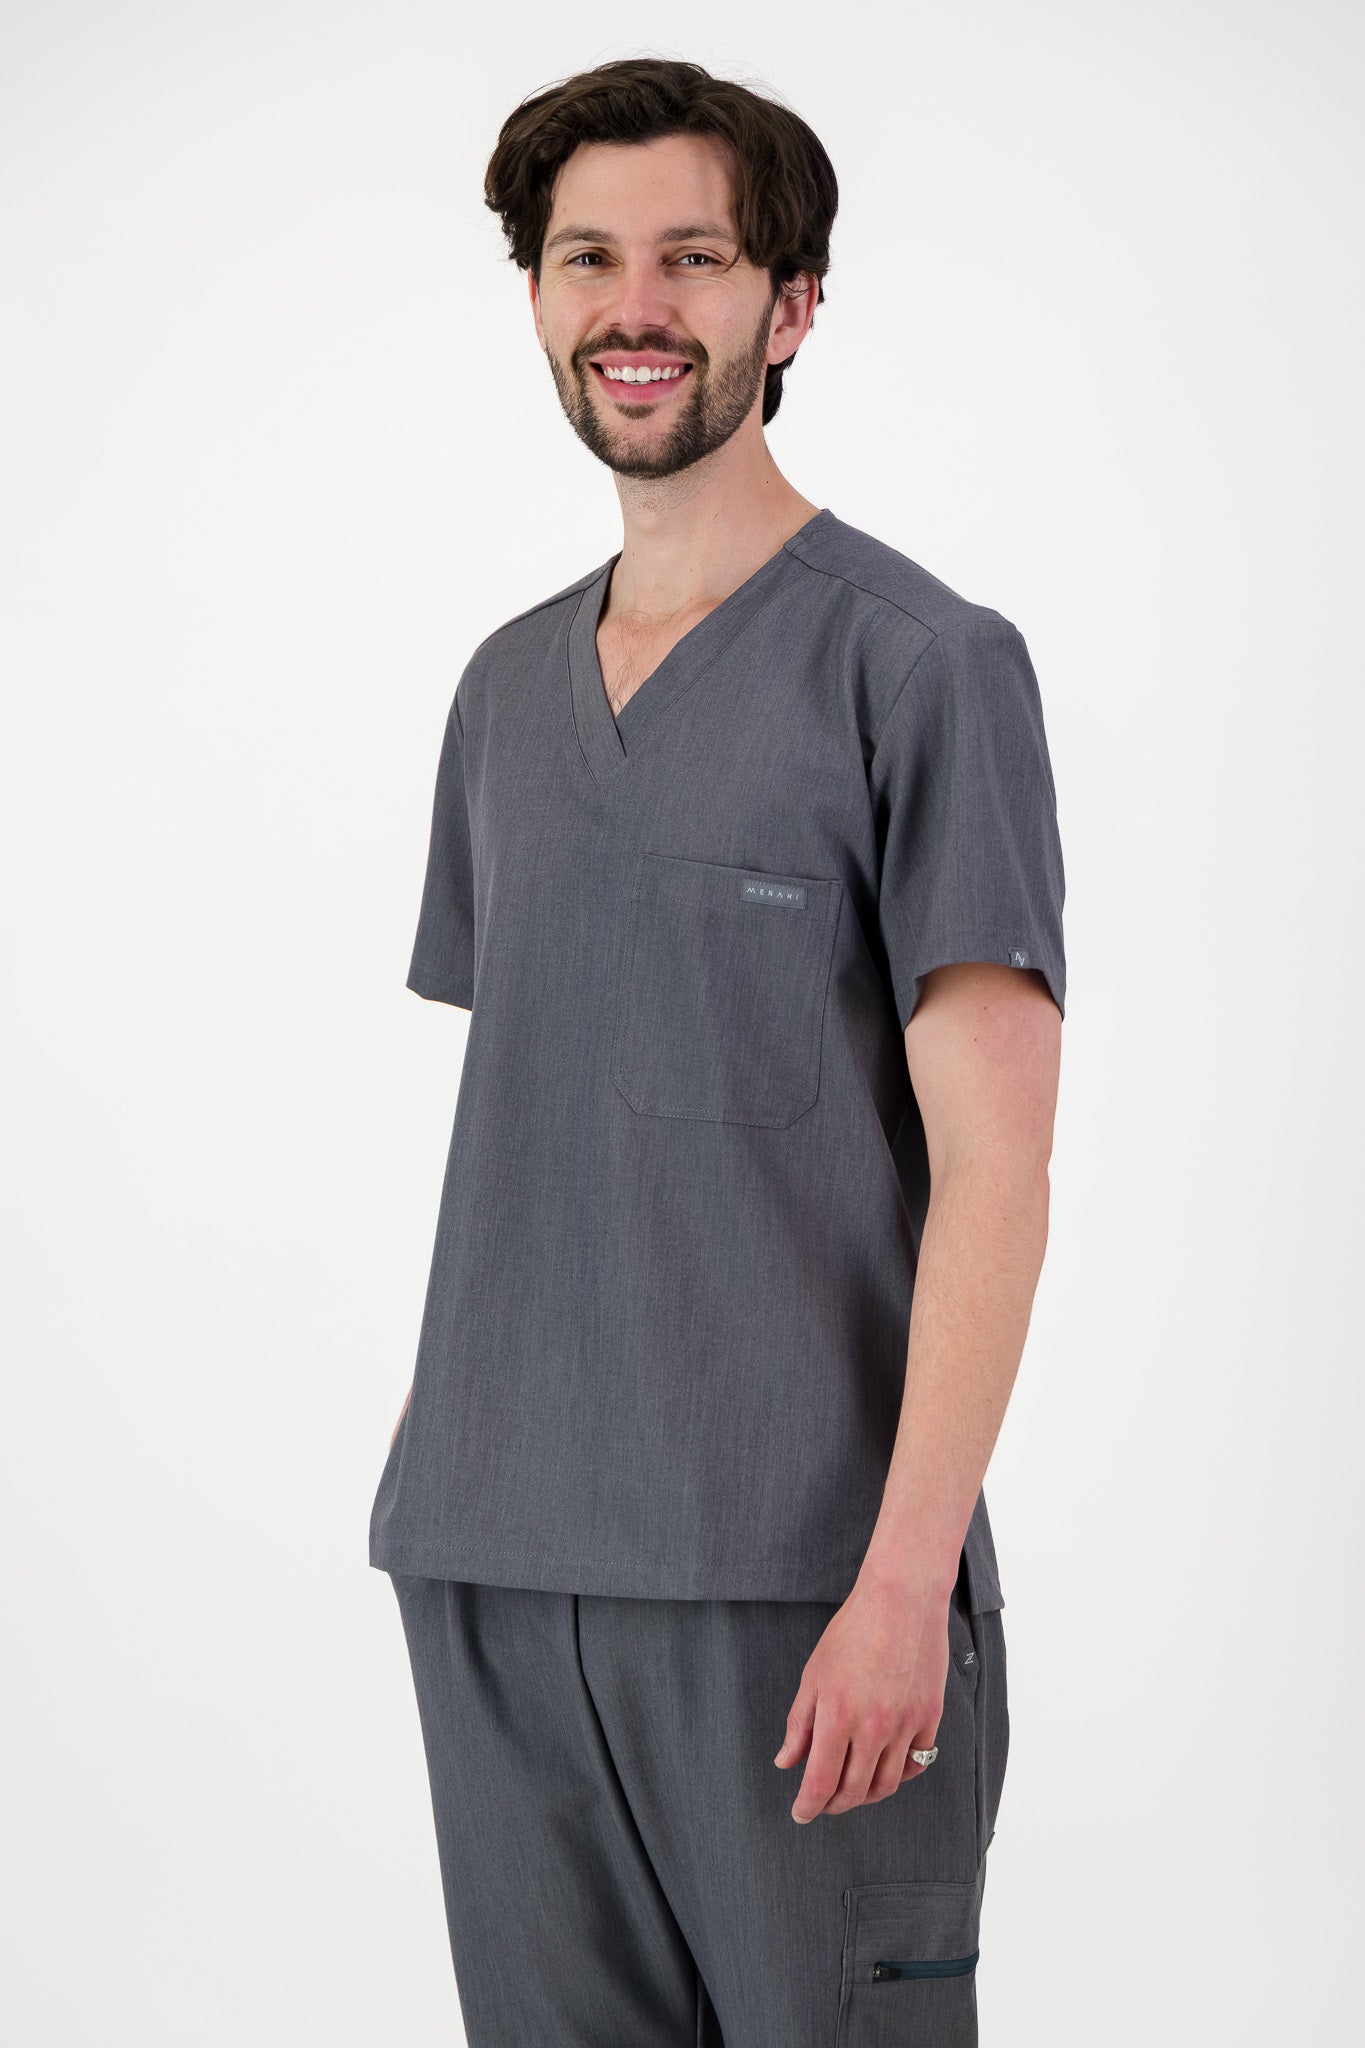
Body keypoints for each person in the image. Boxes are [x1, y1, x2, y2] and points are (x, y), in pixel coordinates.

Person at [368, 54, 1066, 2047]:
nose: (635, 304)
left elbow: (996, 1169)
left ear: (791, 302)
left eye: (692, 256)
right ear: (535, 298)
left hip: (800, 1595)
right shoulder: (504, 695)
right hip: (492, 1567)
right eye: (586, 257)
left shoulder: (918, 668)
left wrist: (902, 1581)